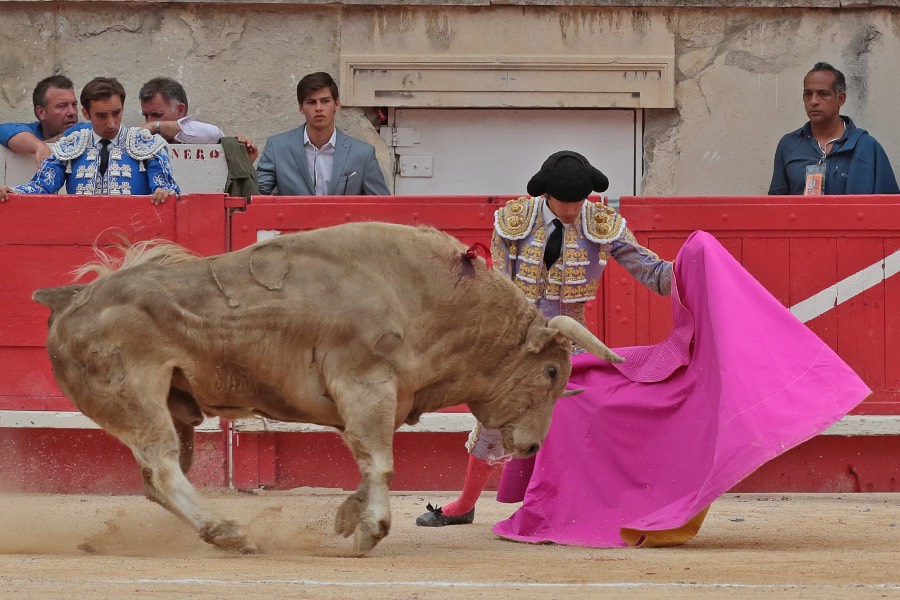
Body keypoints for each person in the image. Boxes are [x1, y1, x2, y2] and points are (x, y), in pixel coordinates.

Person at [416, 150, 673, 527]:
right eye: (565, 202)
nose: (572, 210)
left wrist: (690, 272)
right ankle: (465, 504)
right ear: (546, 195)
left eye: (579, 201)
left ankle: (581, 506)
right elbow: (499, 287)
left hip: (572, 343)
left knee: (584, 421)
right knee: (495, 420)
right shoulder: (514, 221)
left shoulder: (599, 222)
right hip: (518, 338)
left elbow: (651, 272)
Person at [0, 77, 179, 206]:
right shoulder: (72, 144)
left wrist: (164, 192)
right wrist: (14, 192)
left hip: (134, 237)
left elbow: (167, 188)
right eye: (101, 116)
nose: (111, 123)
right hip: (81, 234)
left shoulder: (147, 143)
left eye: (116, 113)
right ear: (86, 114)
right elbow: (42, 186)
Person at [768, 62, 899, 195]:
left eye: (823, 94)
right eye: (808, 94)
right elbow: (775, 204)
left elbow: (889, 204)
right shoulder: (789, 145)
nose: (813, 101)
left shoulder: (867, 147)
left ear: (840, 99)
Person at [256, 71, 390, 196]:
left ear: (336, 104)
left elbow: (382, 206)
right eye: (311, 102)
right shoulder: (277, 149)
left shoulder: (362, 154)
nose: (319, 108)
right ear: (301, 107)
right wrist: (246, 163)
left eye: (325, 101)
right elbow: (255, 198)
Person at [138, 76, 258, 163]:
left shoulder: (200, 136)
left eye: (156, 115)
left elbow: (213, 134)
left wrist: (156, 126)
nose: (149, 122)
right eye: (146, 116)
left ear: (180, 110)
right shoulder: (143, 145)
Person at [0, 75, 88, 168]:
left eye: (74, 105)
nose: (72, 112)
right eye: (62, 106)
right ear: (41, 112)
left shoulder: (86, 131)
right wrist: (38, 146)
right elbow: (4, 129)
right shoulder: (32, 132)